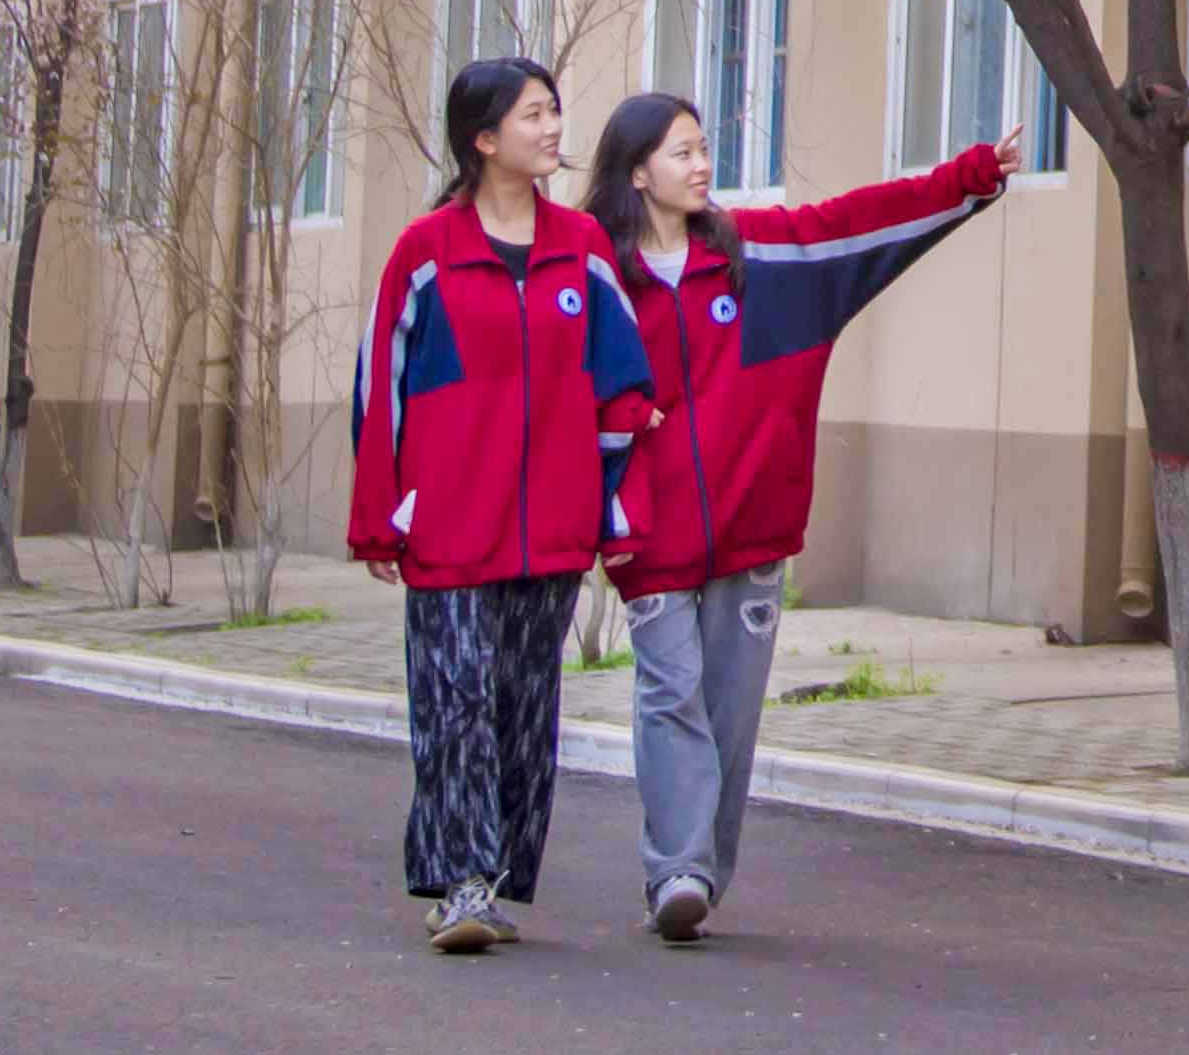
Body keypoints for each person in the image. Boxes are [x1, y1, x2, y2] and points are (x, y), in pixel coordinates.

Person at [585, 91, 1012, 943]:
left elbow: (861, 224)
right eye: (681, 152)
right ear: (637, 174)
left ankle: (704, 869)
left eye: (704, 148)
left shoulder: (765, 257)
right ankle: (677, 869)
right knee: (670, 691)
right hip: (649, 536)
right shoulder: (597, 280)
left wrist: (967, 181)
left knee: (730, 712)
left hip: (752, 533)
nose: (702, 165)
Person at [353, 56, 656, 953]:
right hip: (450, 522)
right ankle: (463, 882)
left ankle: (501, 872)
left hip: (551, 526)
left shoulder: (581, 247)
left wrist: (613, 508)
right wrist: (378, 515)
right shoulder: (425, 252)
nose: (555, 127)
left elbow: (618, 381)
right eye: (534, 114)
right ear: (483, 138)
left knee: (524, 709)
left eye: (556, 110)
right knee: (454, 701)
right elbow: (382, 390)